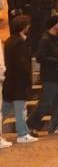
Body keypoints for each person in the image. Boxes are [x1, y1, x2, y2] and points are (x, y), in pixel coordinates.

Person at [27, 15, 58, 135]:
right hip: (50, 76)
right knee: (45, 103)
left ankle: (55, 127)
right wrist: (56, 61)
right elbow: (40, 57)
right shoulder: (45, 39)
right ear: (54, 24)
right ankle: (31, 126)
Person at [1, 16, 37, 146]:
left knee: (5, 109)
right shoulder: (20, 43)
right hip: (19, 82)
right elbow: (23, 65)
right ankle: (22, 134)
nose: (29, 27)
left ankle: (23, 132)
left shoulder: (10, 41)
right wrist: (28, 80)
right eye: (28, 25)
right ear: (23, 26)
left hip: (10, 81)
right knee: (20, 110)